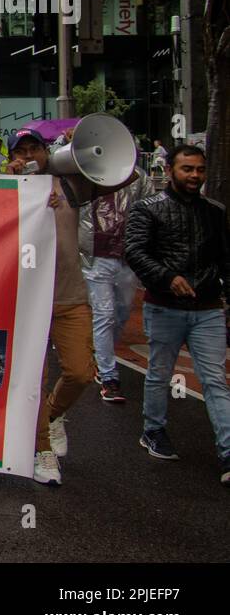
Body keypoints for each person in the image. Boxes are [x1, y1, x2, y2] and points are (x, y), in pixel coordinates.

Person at [123, 144, 230, 486]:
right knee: (159, 372)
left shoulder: (215, 211)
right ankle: (153, 430)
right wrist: (168, 278)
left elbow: (226, 258)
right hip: (164, 306)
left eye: (199, 169)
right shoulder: (147, 209)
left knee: (215, 380)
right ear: (169, 170)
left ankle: (228, 452)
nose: (194, 175)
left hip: (208, 308)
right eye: (187, 169)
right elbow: (135, 252)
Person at [5, 129, 95, 486]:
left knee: (80, 372)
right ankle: (41, 448)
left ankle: (53, 416)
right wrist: (10, 185)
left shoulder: (70, 185)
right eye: (22, 150)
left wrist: (77, 149)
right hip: (25, 300)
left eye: (35, 149)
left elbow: (125, 173)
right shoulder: (5, 188)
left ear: (47, 152)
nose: (29, 155)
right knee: (34, 379)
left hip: (69, 296)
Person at [79, 162, 153, 403]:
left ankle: (99, 356)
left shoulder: (139, 176)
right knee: (105, 313)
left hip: (126, 256)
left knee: (121, 313)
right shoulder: (87, 172)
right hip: (97, 256)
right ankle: (109, 375)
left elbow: (150, 205)